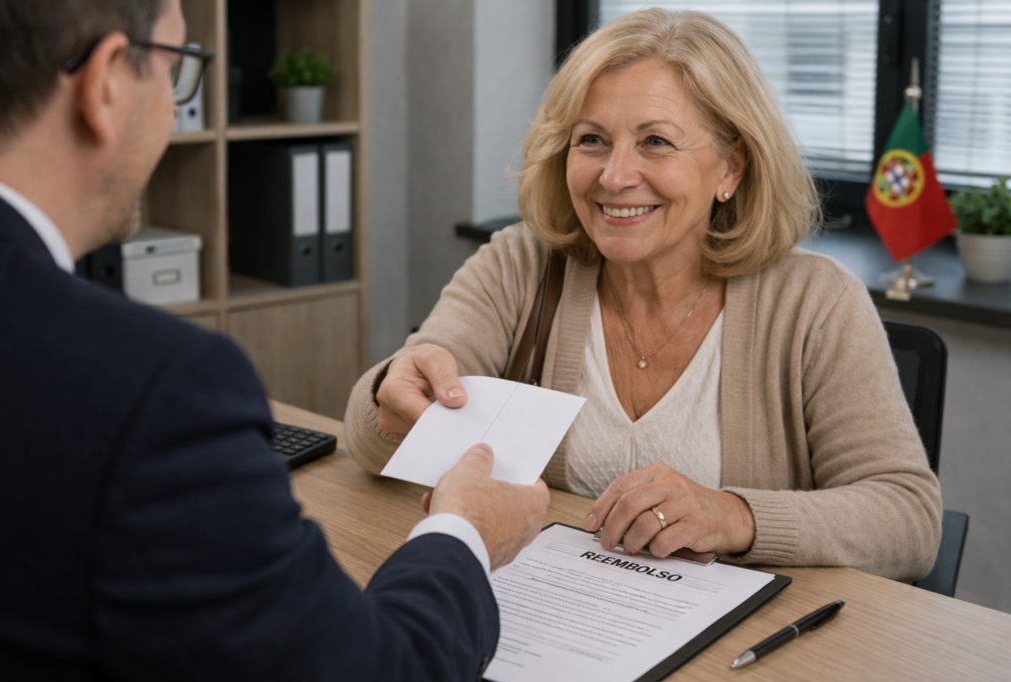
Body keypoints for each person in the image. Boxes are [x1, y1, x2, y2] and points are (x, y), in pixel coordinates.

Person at [0, 0, 549, 680]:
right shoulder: (155, 388)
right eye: (175, 70)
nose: (172, 109)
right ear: (105, 83)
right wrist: (464, 534)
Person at [345, 8, 942, 582]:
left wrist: (736, 515)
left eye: (655, 141)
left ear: (731, 169)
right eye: (592, 140)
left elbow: (909, 518)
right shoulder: (521, 262)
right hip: (553, 618)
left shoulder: (816, 302)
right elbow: (368, 439)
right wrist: (392, 395)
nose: (613, 176)